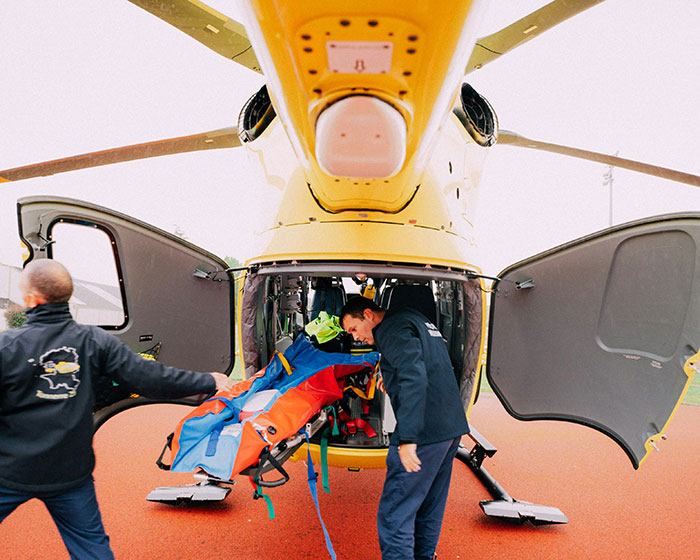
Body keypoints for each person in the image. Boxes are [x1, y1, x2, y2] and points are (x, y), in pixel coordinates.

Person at [0, 259, 234, 559]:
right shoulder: (95, 341)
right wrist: (208, 380)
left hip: (10, 472)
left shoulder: (7, 346)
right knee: (93, 550)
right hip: (70, 475)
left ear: (30, 298)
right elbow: (151, 378)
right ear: (67, 296)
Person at [340, 295, 469, 560]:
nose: (355, 337)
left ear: (368, 314)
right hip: (450, 429)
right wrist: (391, 377)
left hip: (424, 433)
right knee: (428, 508)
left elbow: (414, 377)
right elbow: (424, 364)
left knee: (394, 514)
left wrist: (408, 438)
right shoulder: (413, 317)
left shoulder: (390, 329)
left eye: (353, 328)